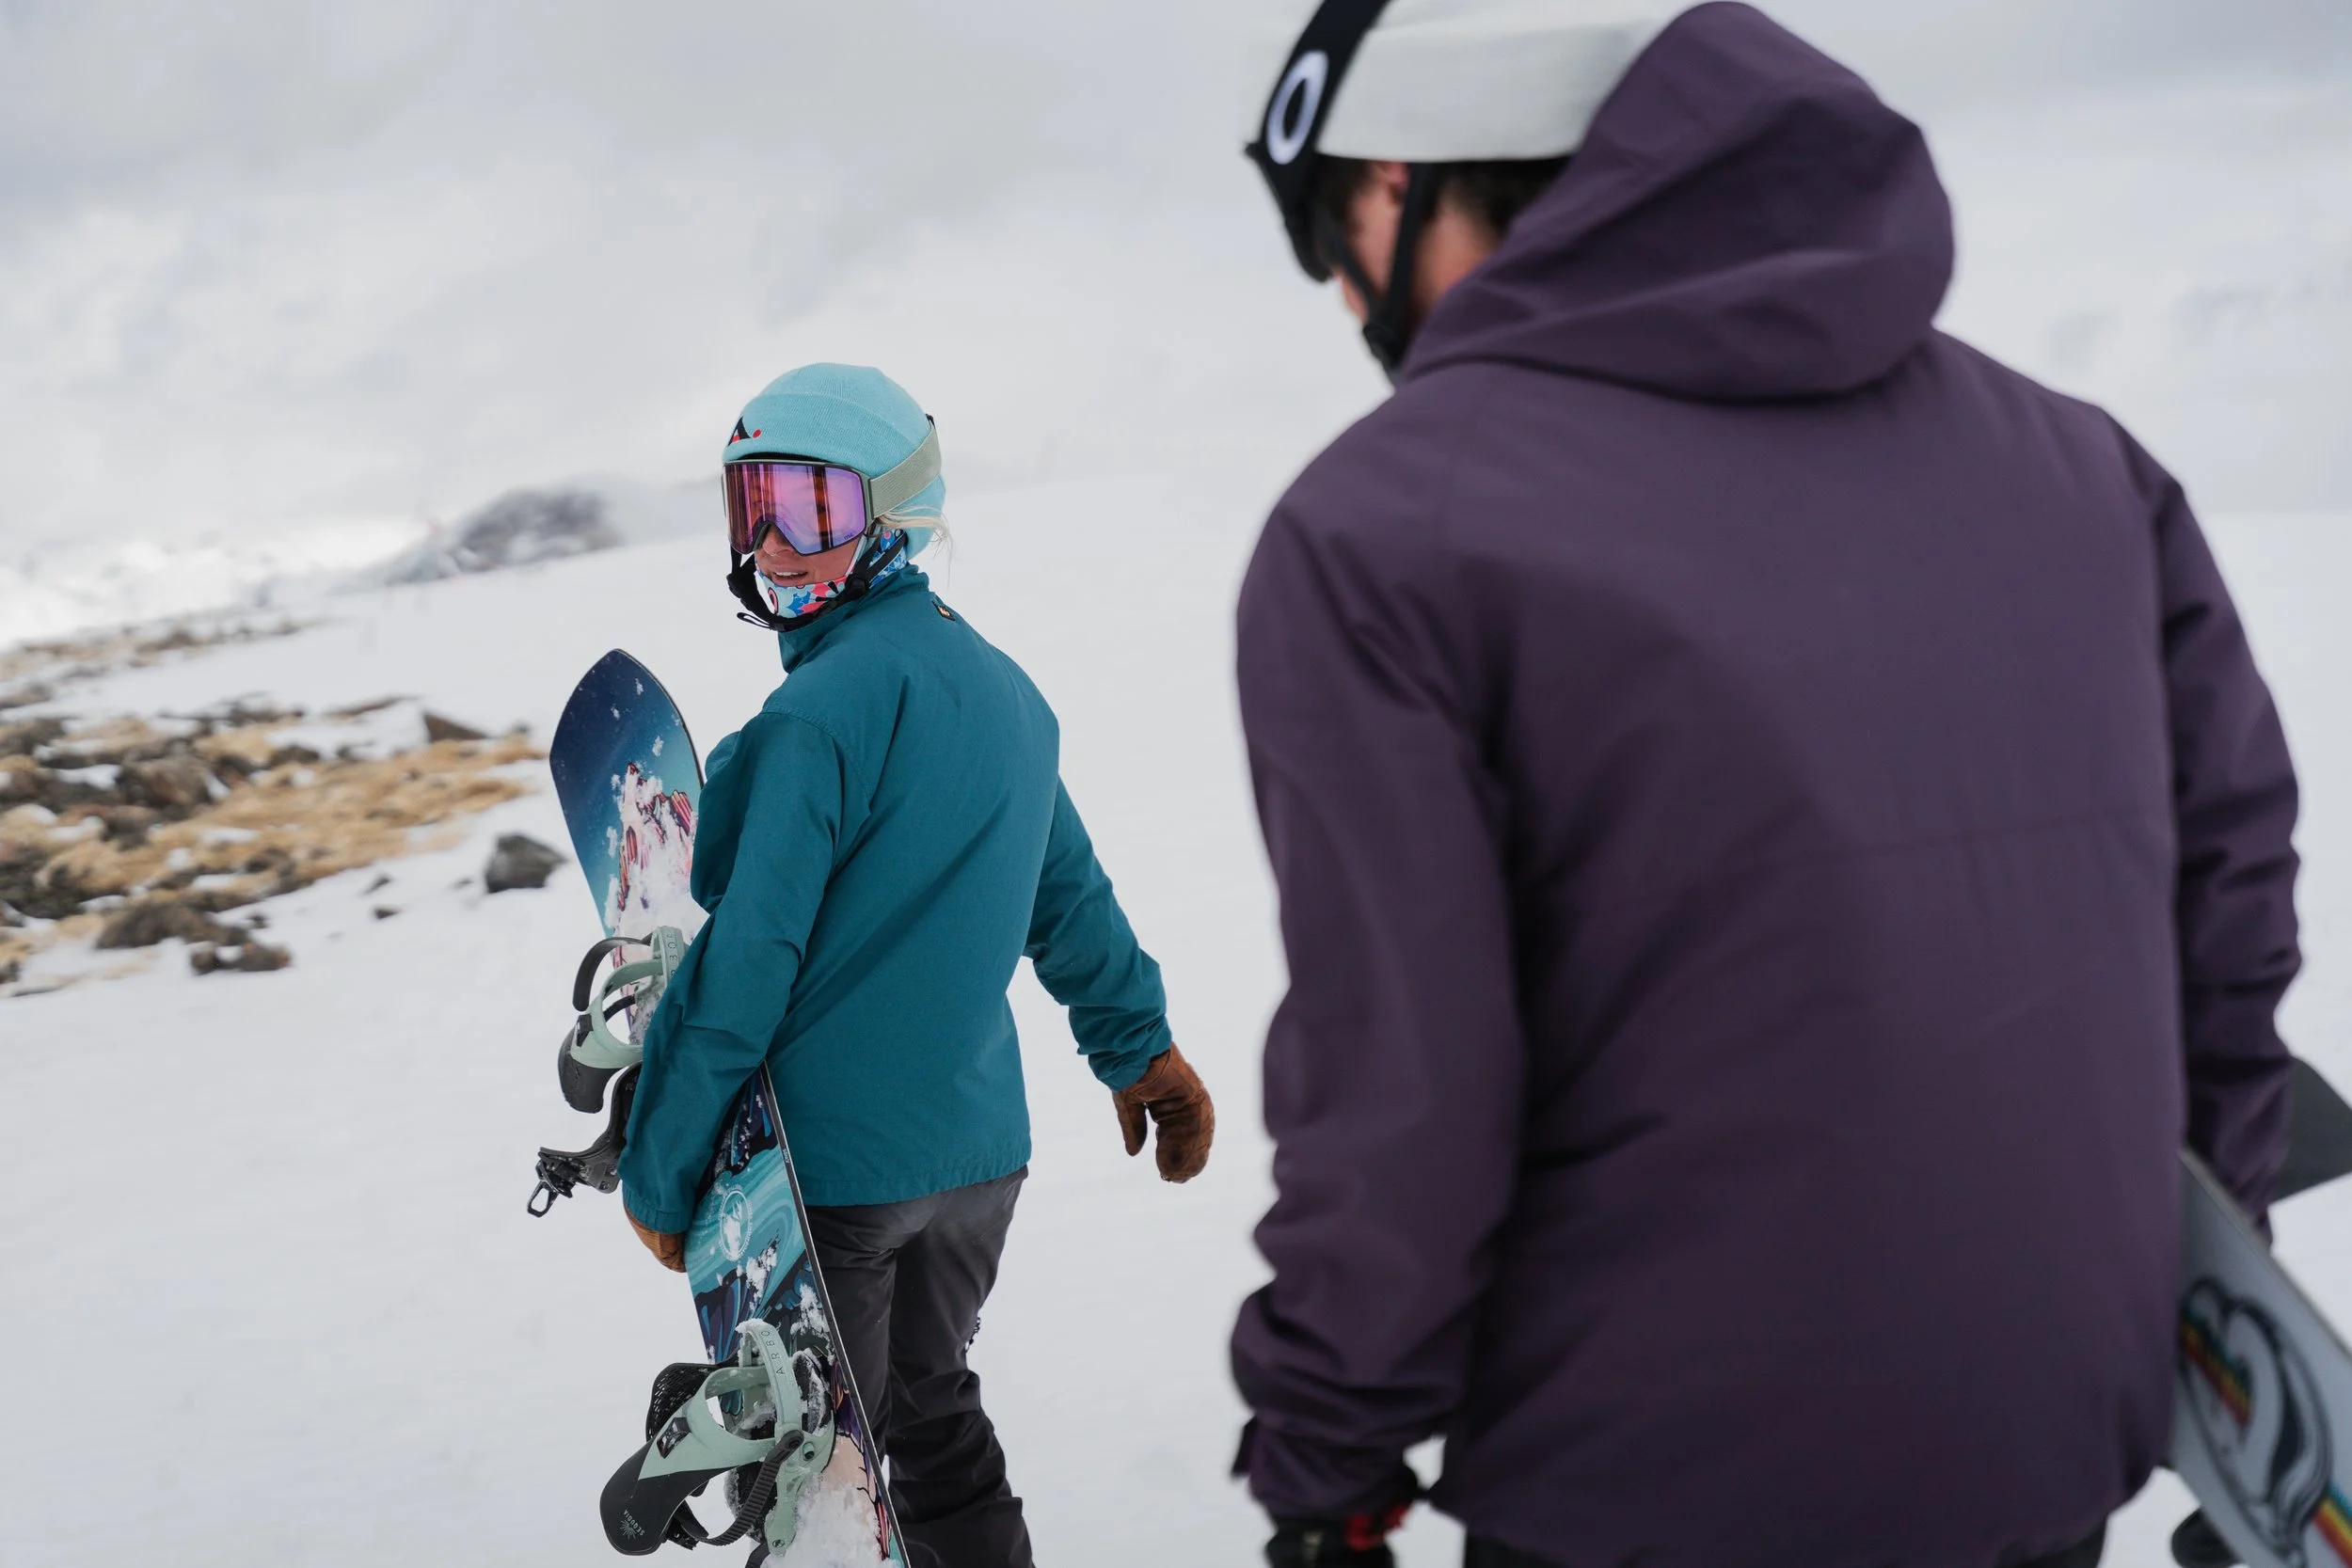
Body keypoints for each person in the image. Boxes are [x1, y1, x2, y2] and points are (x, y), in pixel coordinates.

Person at [1228, 5, 2300, 1568]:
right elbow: (2228, 918)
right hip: (2052, 1439)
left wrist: (1328, 1448)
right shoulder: (2087, 466)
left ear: (1419, 178)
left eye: (1330, 220)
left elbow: (1406, 1080)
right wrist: (2217, 1297)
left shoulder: (1388, 530)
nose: (1336, 286)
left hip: (1644, 1484)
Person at [616, 363, 1216, 1568]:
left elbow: (746, 967)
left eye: (814, 509)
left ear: (894, 515)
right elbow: (1072, 897)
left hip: (831, 1174)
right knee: (930, 1406)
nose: (777, 547)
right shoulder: (1009, 694)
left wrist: (661, 1169)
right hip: (981, 1162)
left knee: (824, 1474)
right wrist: (1140, 1049)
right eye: (754, 508)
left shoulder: (814, 720)